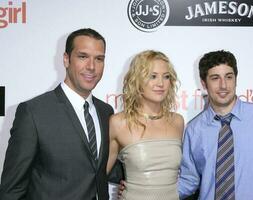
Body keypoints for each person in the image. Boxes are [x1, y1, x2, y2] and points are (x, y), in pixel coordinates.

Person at [0, 28, 114, 200]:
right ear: (66, 59)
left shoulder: (106, 112)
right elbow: (11, 190)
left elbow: (106, 169)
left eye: (99, 59)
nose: (91, 66)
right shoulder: (33, 113)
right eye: (83, 57)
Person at [178, 50, 253, 199]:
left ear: (236, 79)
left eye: (229, 77)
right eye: (215, 78)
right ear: (204, 83)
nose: (223, 85)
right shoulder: (194, 129)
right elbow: (189, 180)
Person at [107, 50, 184, 200]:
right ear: (137, 80)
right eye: (152, 76)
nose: (161, 83)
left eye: (166, 76)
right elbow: (99, 176)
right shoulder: (119, 123)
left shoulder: (178, 122)